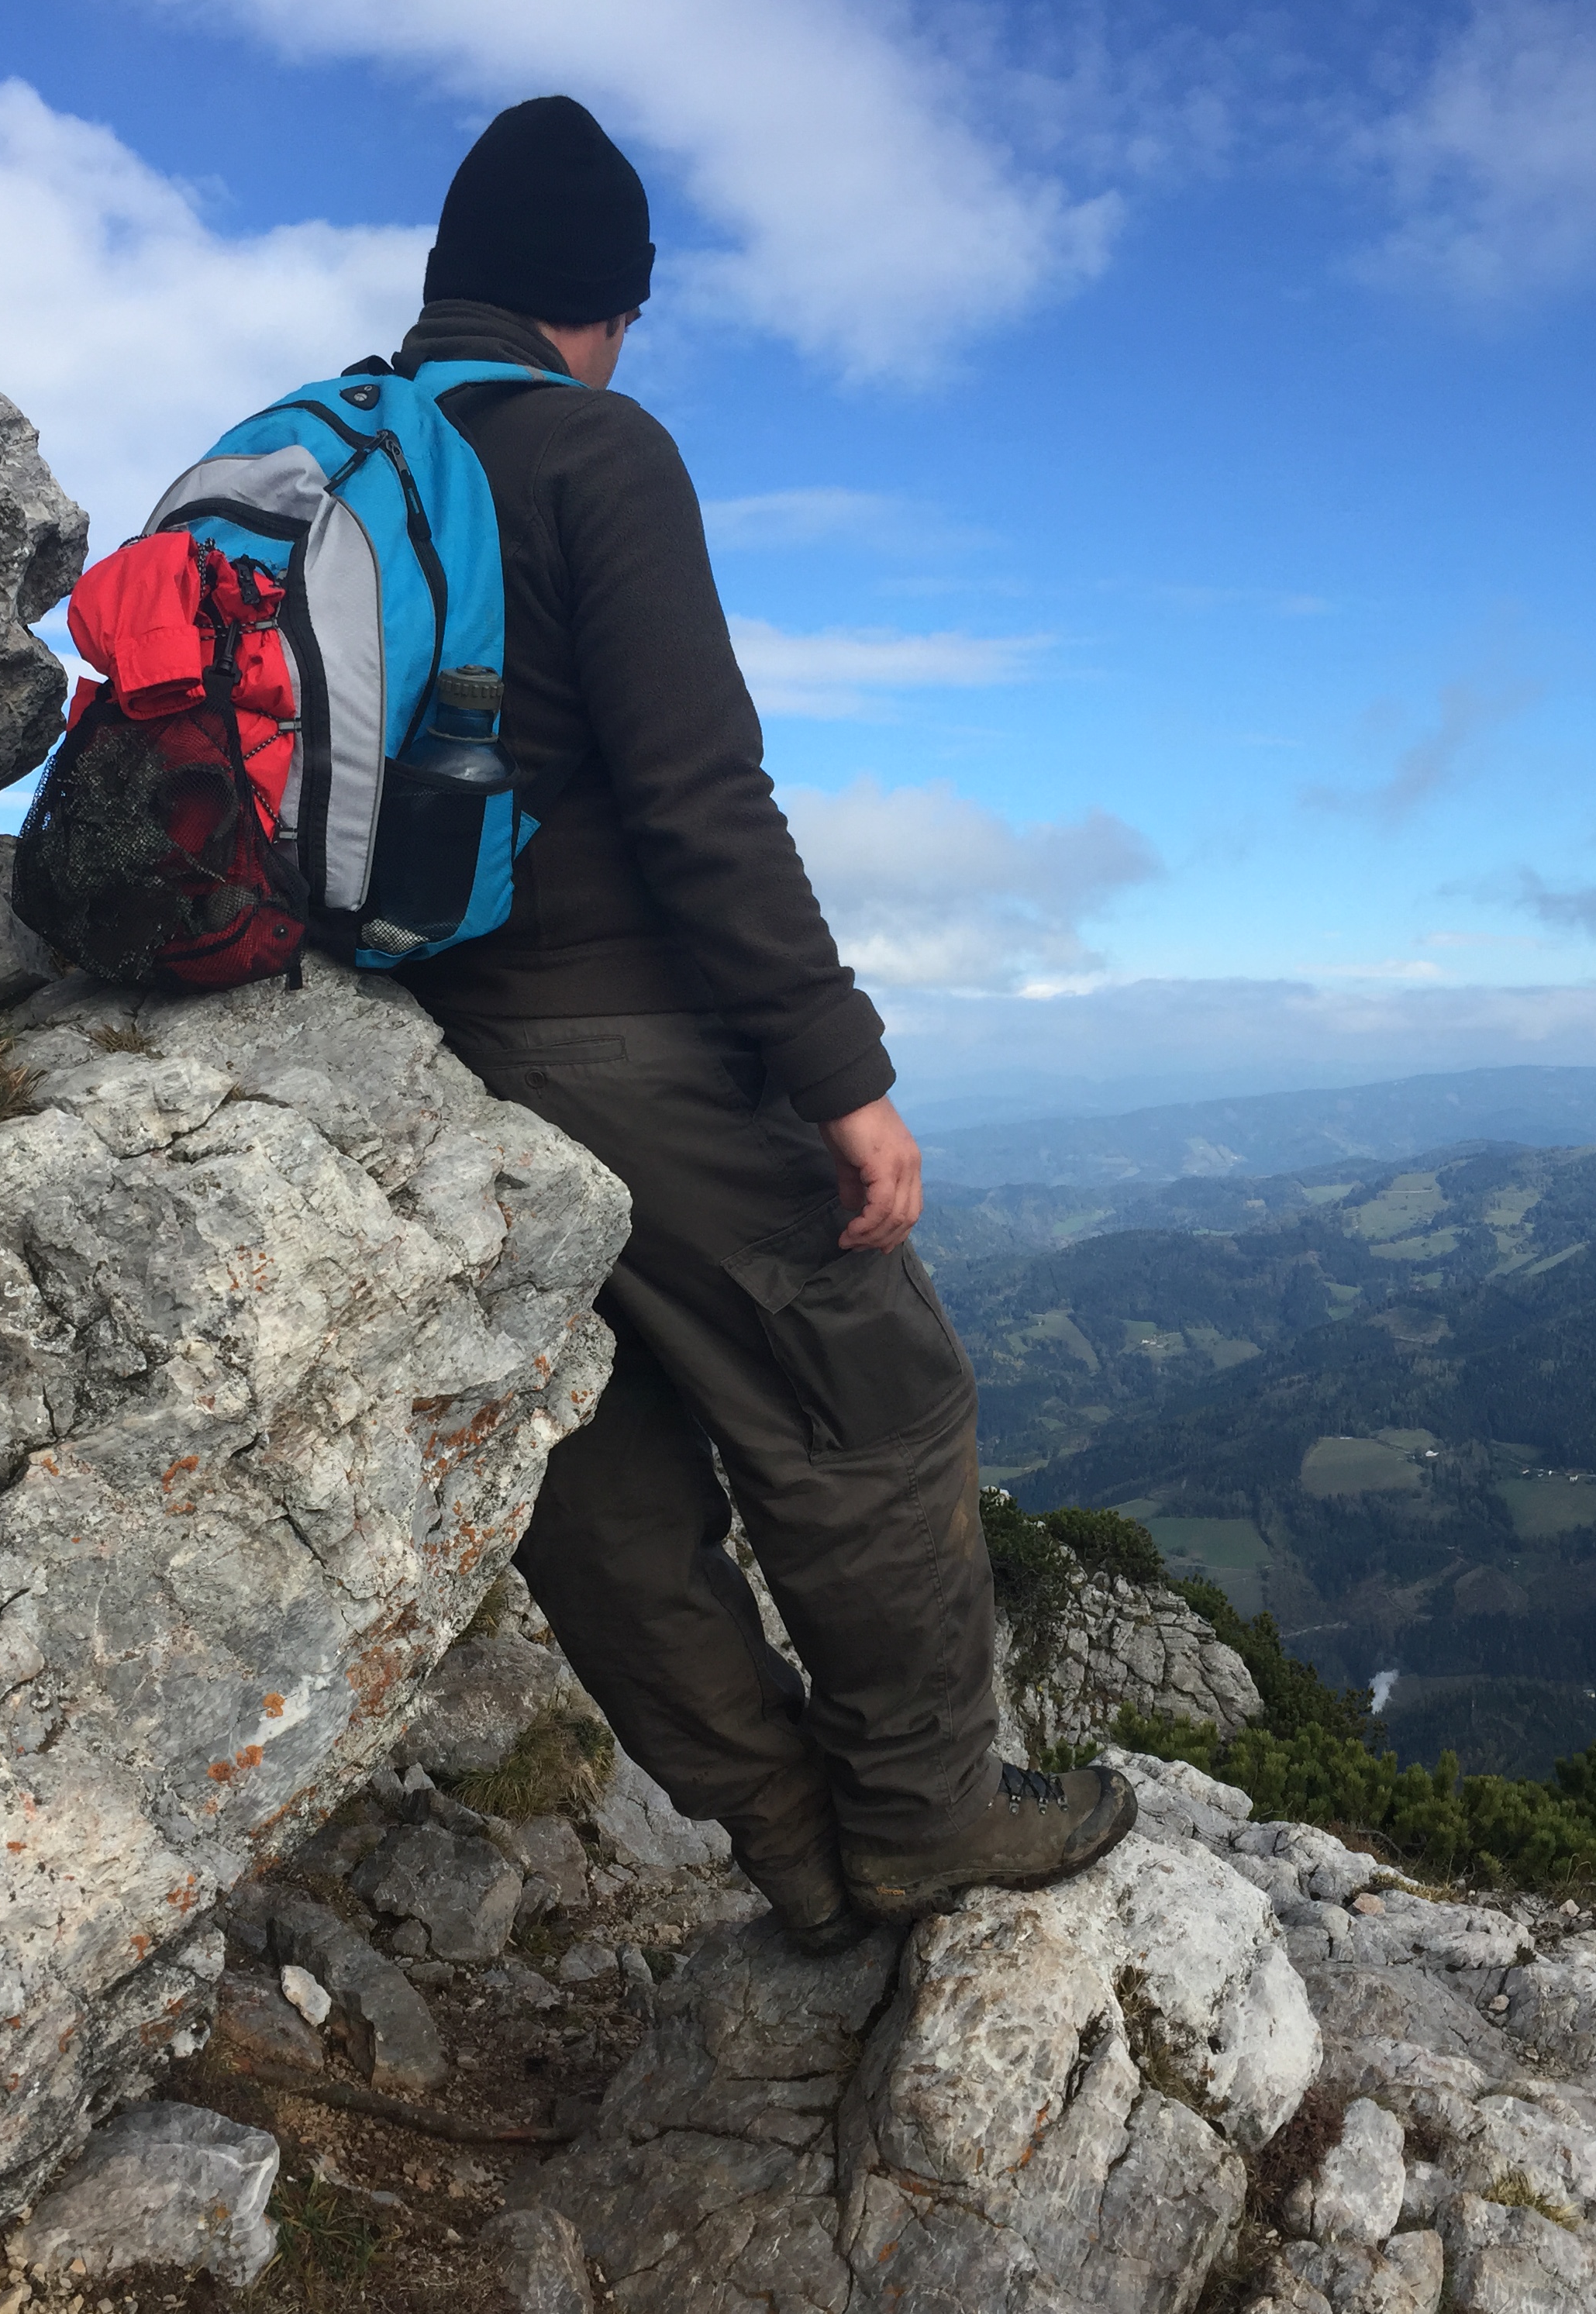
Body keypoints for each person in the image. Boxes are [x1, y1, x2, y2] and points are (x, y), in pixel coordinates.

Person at [379, 95, 1121, 1948]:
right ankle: (928, 1814)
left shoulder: (333, 471)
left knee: (597, 1471)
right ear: (598, 301)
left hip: (393, 1072)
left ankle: (792, 1839)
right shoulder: (590, 454)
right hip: (620, 1037)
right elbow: (705, 798)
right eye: (627, 311)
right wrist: (842, 1076)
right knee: (875, 1401)